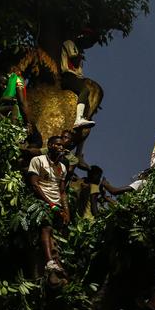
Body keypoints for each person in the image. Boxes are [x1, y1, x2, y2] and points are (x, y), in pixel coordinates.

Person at [27, 136, 70, 280]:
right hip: (41, 201)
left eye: (62, 145)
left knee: (58, 235)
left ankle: (57, 262)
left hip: (56, 205)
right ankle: (49, 263)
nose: (60, 147)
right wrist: (50, 205)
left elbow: (63, 191)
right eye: (58, 144)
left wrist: (66, 210)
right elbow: (34, 184)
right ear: (50, 145)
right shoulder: (38, 160)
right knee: (46, 228)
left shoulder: (62, 167)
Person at [60, 39, 96, 129]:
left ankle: (80, 117)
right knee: (85, 90)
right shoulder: (70, 43)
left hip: (74, 76)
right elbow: (74, 58)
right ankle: (79, 119)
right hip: (68, 75)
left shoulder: (76, 48)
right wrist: (79, 56)